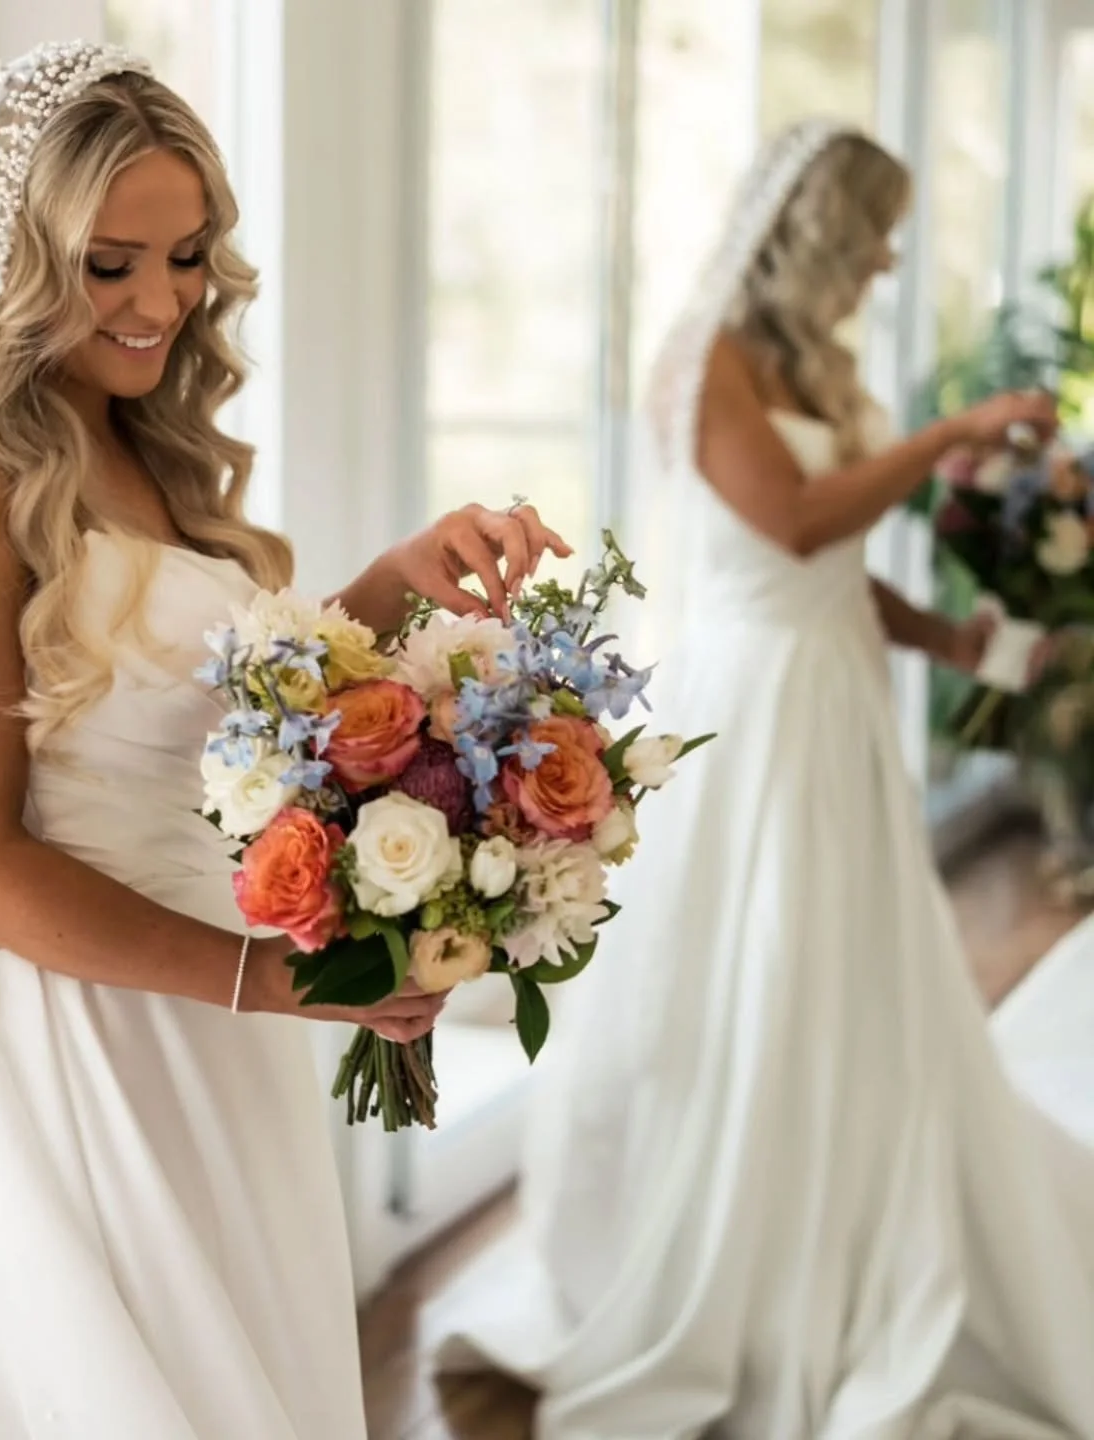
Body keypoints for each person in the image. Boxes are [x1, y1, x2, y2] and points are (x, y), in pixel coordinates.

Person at [0, 43, 570, 1439]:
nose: (162, 303)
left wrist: (396, 580)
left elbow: (196, 713)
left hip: (209, 1039)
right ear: (24, 259)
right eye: (112, 265)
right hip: (63, 1050)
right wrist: (272, 985)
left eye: (189, 255)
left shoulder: (141, 441)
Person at [433, 119, 1094, 1439]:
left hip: (835, 682)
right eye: (874, 232)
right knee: (751, 964)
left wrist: (948, 636)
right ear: (819, 232)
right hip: (756, 705)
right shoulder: (705, 359)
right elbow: (789, 519)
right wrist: (955, 431)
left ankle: (841, 1234)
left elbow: (833, 561)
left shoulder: (817, 363)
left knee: (845, 972)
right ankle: (710, 1262)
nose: (888, 258)